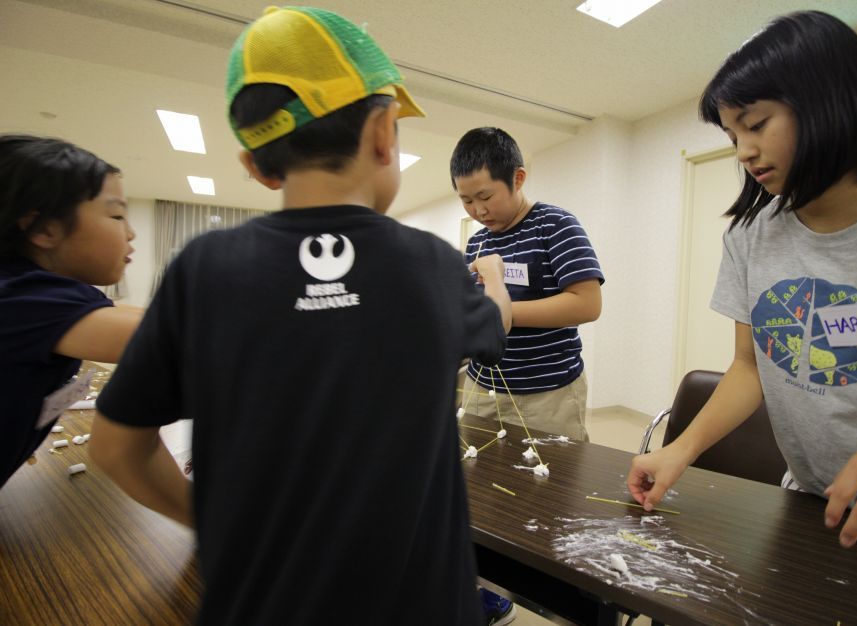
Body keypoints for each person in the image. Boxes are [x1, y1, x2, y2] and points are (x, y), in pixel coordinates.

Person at [89, 6, 511, 625]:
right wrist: (494, 281)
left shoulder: (204, 267)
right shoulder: (432, 266)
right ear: (384, 134)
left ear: (256, 167)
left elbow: (116, 447)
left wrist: (212, 520)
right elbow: (494, 326)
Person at [627, 11, 857, 625]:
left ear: (831, 101)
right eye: (731, 133)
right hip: (809, 509)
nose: (743, 150)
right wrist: (679, 450)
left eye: (757, 124)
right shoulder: (752, 237)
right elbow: (749, 367)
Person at [0, 135, 139, 489]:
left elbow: (126, 315)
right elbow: (178, 334)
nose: (131, 233)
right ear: (45, 228)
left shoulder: (47, 293)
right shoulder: (21, 298)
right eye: (117, 215)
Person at [451, 127, 604, 442]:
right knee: (482, 479)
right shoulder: (477, 242)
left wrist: (500, 312)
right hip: (482, 386)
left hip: (547, 393)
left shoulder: (555, 225)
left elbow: (587, 304)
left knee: (550, 484)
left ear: (517, 179)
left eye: (485, 197)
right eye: (466, 200)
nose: (478, 211)